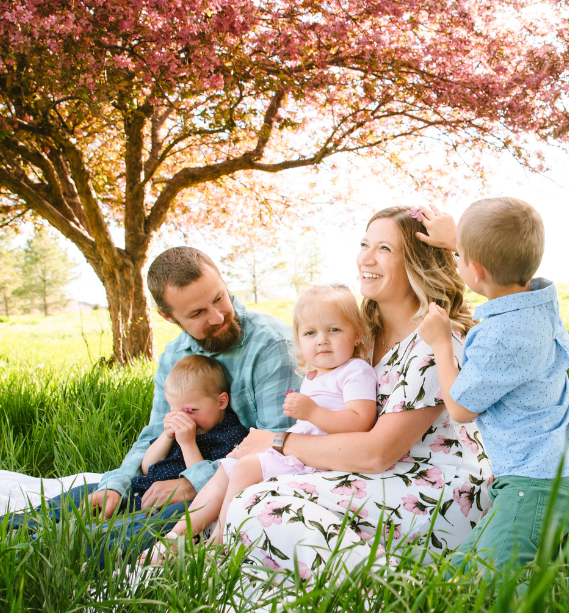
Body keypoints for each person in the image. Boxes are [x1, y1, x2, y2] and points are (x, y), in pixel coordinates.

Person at [0, 246, 299, 559]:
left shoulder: (270, 347)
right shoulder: (175, 355)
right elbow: (156, 431)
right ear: (169, 317)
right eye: (197, 314)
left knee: (123, 532)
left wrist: (193, 485)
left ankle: (6, 559)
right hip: (171, 473)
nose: (218, 316)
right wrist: (117, 483)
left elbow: (277, 446)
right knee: (84, 499)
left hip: (230, 487)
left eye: (219, 297)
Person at [214, 206, 492, 580]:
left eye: (384, 249)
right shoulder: (363, 335)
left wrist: (280, 441)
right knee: (257, 493)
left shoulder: (435, 338)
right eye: (364, 244)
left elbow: (377, 453)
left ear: (417, 262)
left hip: (436, 492)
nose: (366, 257)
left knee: (257, 504)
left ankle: (391, 591)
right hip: (382, 477)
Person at [144, 284, 378, 562]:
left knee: (244, 468)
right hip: (299, 452)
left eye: (334, 330)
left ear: (357, 335)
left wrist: (312, 412)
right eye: (310, 333)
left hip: (319, 459)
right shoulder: (315, 376)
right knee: (226, 467)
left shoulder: (355, 370)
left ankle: (219, 541)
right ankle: (178, 534)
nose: (322, 340)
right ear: (300, 341)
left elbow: (360, 421)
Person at [417, 197, 569, 570]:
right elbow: (496, 257)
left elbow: (460, 409)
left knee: (490, 583)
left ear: (475, 271)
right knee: (460, 570)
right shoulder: (537, 301)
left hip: (533, 487)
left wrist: (442, 343)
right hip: (547, 478)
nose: (455, 261)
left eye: (459, 258)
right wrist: (460, 241)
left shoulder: (502, 336)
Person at [133, 355, 247, 508]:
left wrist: (188, 444)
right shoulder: (174, 433)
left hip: (184, 502)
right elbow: (147, 467)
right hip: (145, 490)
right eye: (175, 411)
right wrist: (166, 436)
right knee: (95, 493)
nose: (184, 419)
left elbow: (209, 485)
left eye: (192, 410)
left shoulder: (229, 436)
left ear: (221, 402)